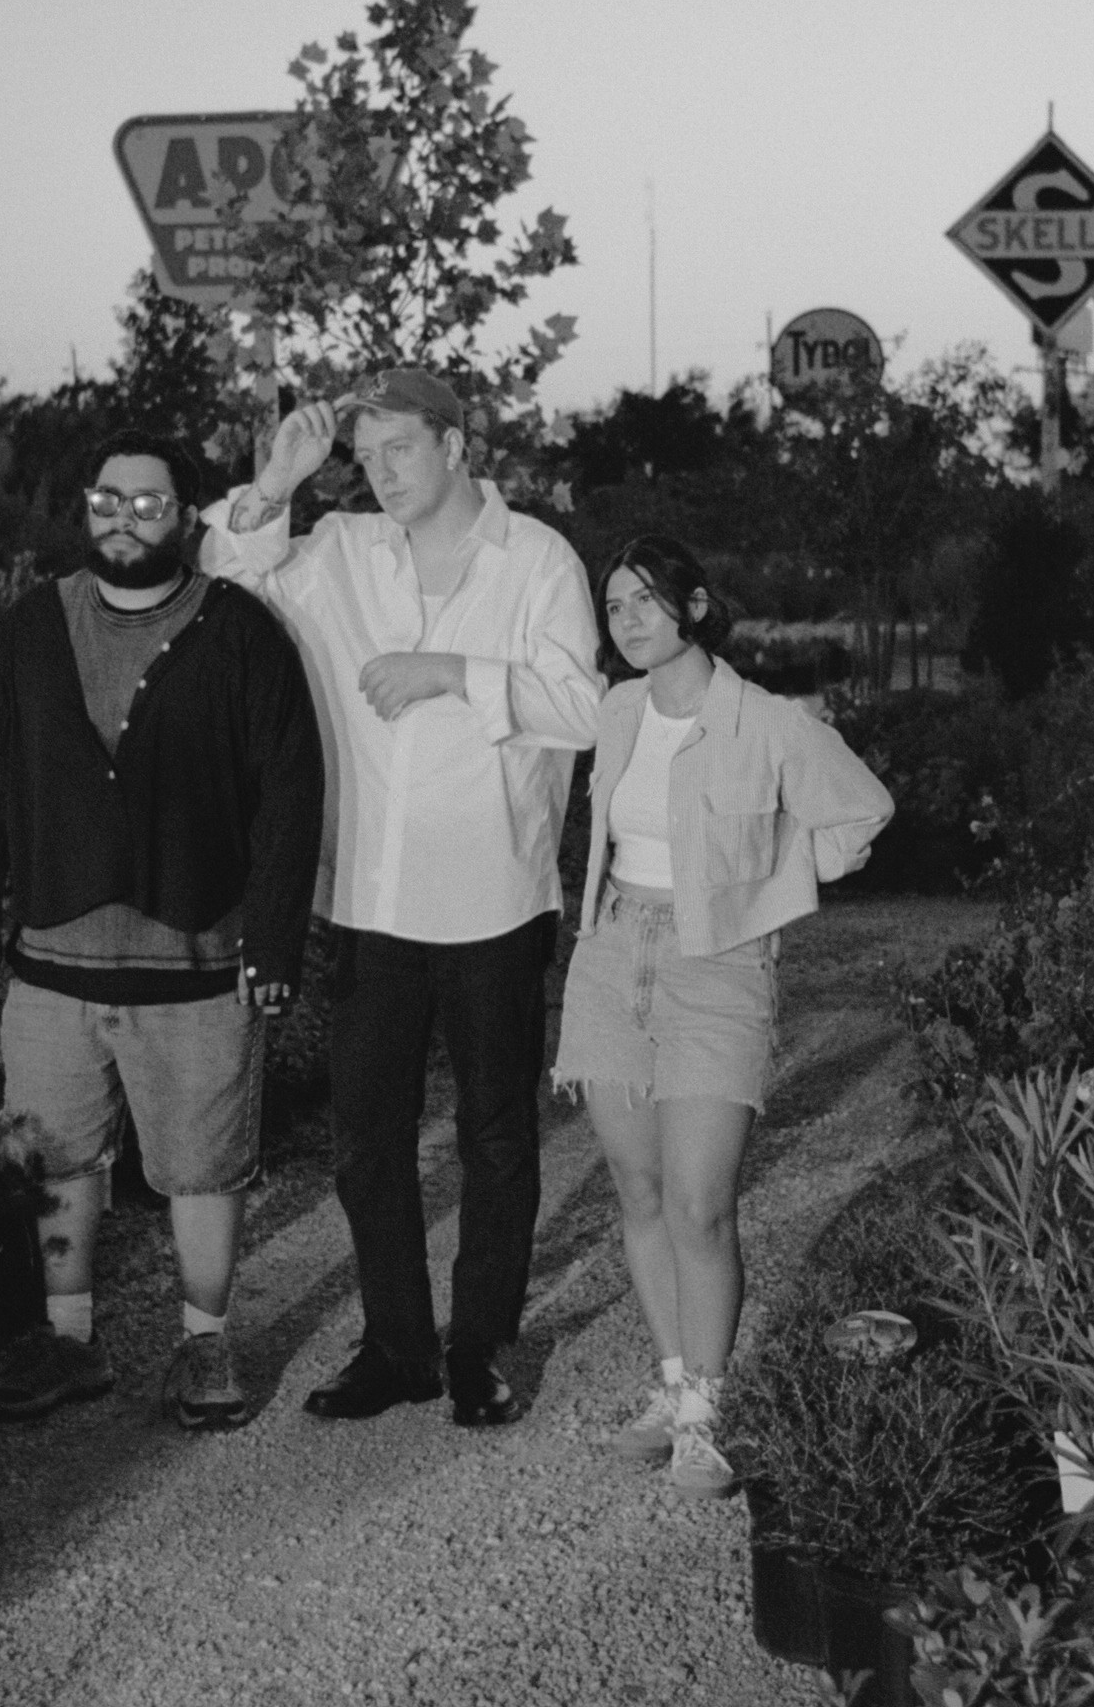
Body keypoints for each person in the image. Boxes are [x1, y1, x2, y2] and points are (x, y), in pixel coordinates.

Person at [200, 368, 603, 1426]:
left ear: (456, 445)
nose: (377, 475)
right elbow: (225, 567)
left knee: (496, 1136)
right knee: (365, 1141)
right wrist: (276, 478)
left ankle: (478, 1345)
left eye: (399, 452)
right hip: (371, 898)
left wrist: (450, 669)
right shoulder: (338, 549)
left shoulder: (539, 559)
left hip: (495, 899)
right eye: (364, 456)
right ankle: (396, 1346)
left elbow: (581, 707)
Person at [0, 427, 323, 1431]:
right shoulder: (33, 626)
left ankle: (203, 1339)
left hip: (196, 963)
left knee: (203, 1162)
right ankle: (68, 1342)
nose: (122, 519)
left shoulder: (237, 630)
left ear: (185, 518)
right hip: (54, 966)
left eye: (147, 503)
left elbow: (290, 789)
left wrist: (274, 940)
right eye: (106, 500)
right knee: (55, 1159)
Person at [557, 535, 892, 1495]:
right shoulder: (619, 709)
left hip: (719, 969)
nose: (624, 620)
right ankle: (670, 1387)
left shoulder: (765, 721)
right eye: (612, 604)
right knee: (640, 1192)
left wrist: (775, 879)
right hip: (612, 954)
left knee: (702, 1207)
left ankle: (708, 1411)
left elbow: (861, 811)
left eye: (643, 601)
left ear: (694, 607)